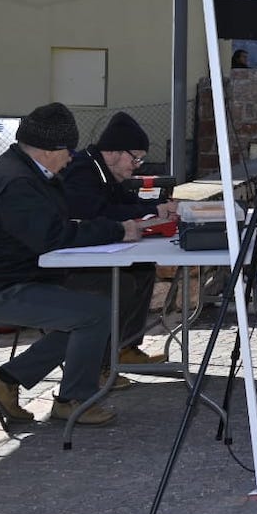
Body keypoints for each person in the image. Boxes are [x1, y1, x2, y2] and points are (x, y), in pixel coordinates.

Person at [0, 103, 156, 427]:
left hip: (10, 276)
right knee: (94, 312)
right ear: (50, 150)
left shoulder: (26, 171)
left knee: (112, 292)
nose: (71, 156)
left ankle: (7, 379)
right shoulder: (17, 182)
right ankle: (73, 399)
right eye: (68, 149)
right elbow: (52, 236)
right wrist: (117, 230)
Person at [61, 111, 177, 370]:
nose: (137, 165)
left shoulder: (104, 172)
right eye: (135, 158)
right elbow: (95, 211)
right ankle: (99, 363)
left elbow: (127, 203)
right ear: (113, 152)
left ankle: (125, 346)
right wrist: (153, 212)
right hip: (69, 260)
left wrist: (159, 206)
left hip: (91, 251)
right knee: (121, 282)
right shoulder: (83, 171)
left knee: (143, 268)